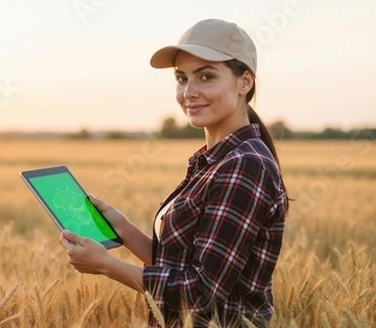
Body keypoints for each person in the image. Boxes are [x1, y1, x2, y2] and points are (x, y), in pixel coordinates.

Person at [59, 18, 288, 328]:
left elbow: (203, 291)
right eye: (182, 78)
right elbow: (180, 265)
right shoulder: (214, 162)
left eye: (206, 76)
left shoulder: (245, 165)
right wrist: (123, 229)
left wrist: (108, 266)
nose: (189, 92)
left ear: (244, 82)